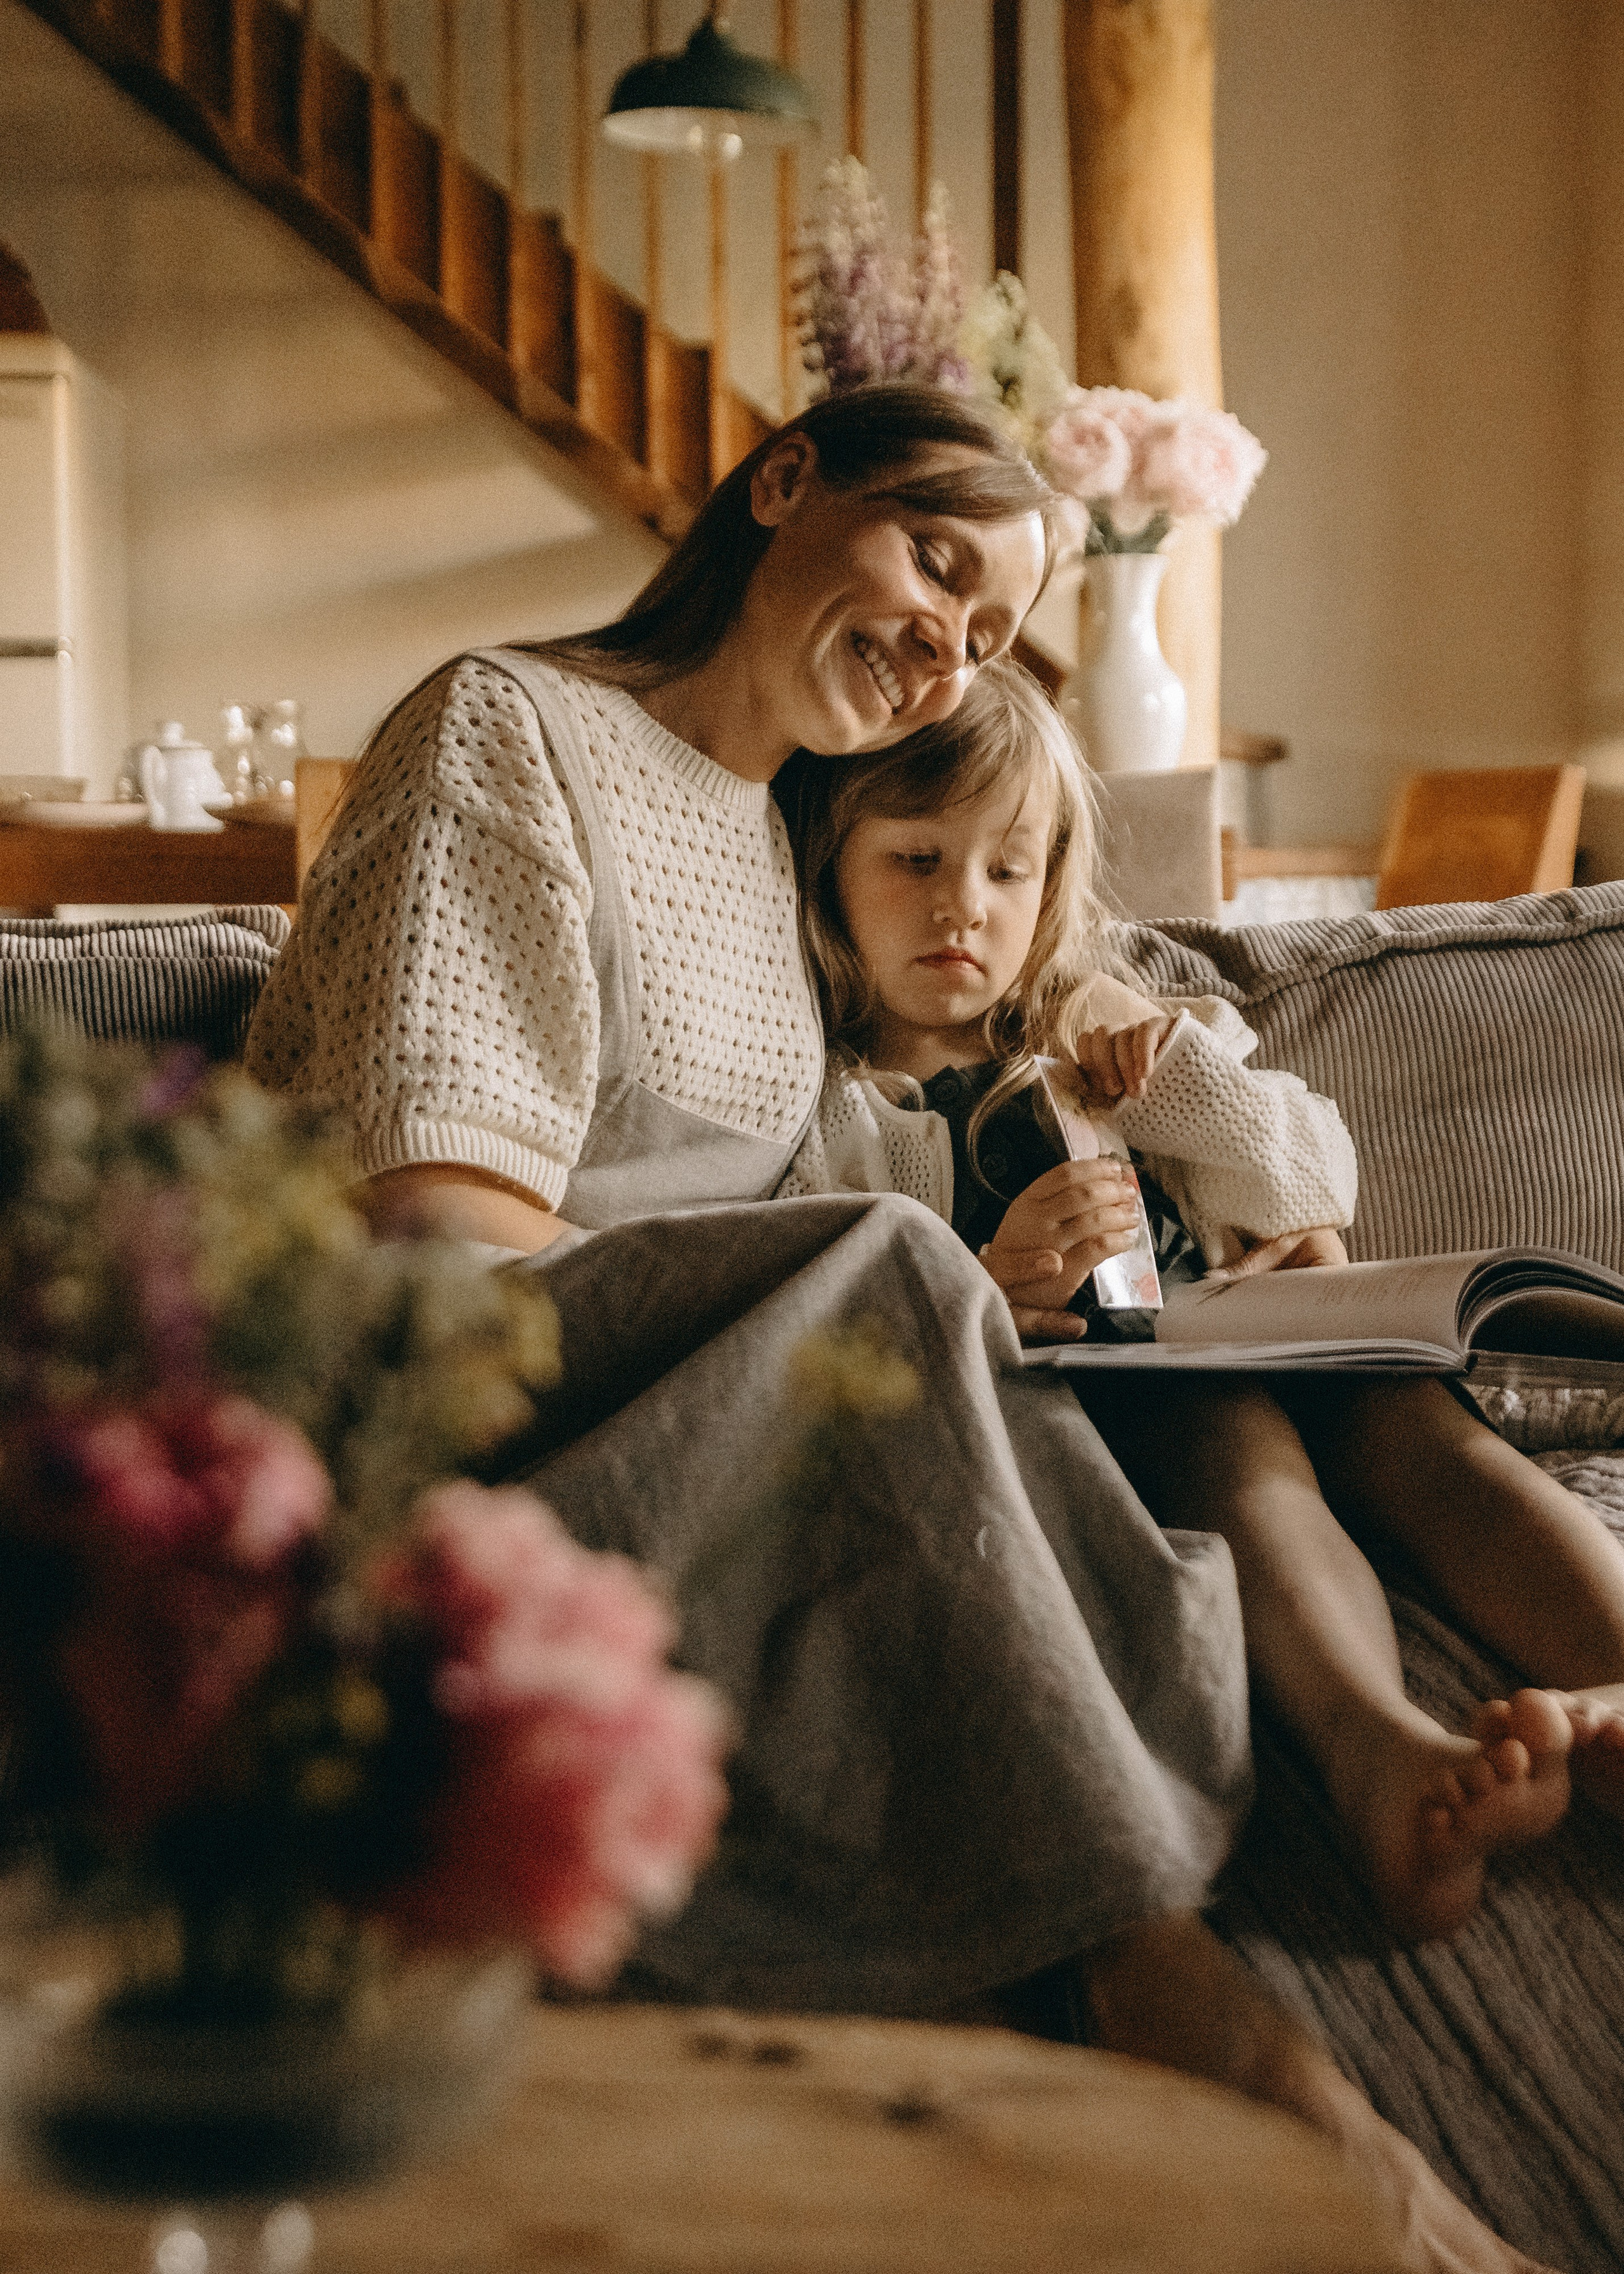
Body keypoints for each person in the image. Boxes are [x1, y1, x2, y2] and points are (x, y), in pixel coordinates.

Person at [247, 384, 1548, 2274]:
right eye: (935, 562)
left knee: (1030, 1324)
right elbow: (438, 1229)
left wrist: (1110, 1199)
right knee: (899, 1271)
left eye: (991, 627)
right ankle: (1208, 2027)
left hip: (747, 1383)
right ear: (787, 484)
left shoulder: (790, 849)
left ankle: (1264, 1931)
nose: (947, 643)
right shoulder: (505, 732)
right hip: (481, 1400)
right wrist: (897, 1268)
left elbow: (1002, 1031)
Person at [778, 652, 1624, 1948]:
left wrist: (1170, 1075)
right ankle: (1384, 1755)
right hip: (1126, 1393)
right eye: (914, 861)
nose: (963, 906)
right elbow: (845, 1288)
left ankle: (1610, 1660)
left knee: (1425, 1429)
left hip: (1262, 1322)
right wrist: (989, 1278)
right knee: (1241, 1464)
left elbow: (1304, 1168)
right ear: (833, 869)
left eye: (1006, 871)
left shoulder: (1095, 1020)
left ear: (1052, 886)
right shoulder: (841, 1106)